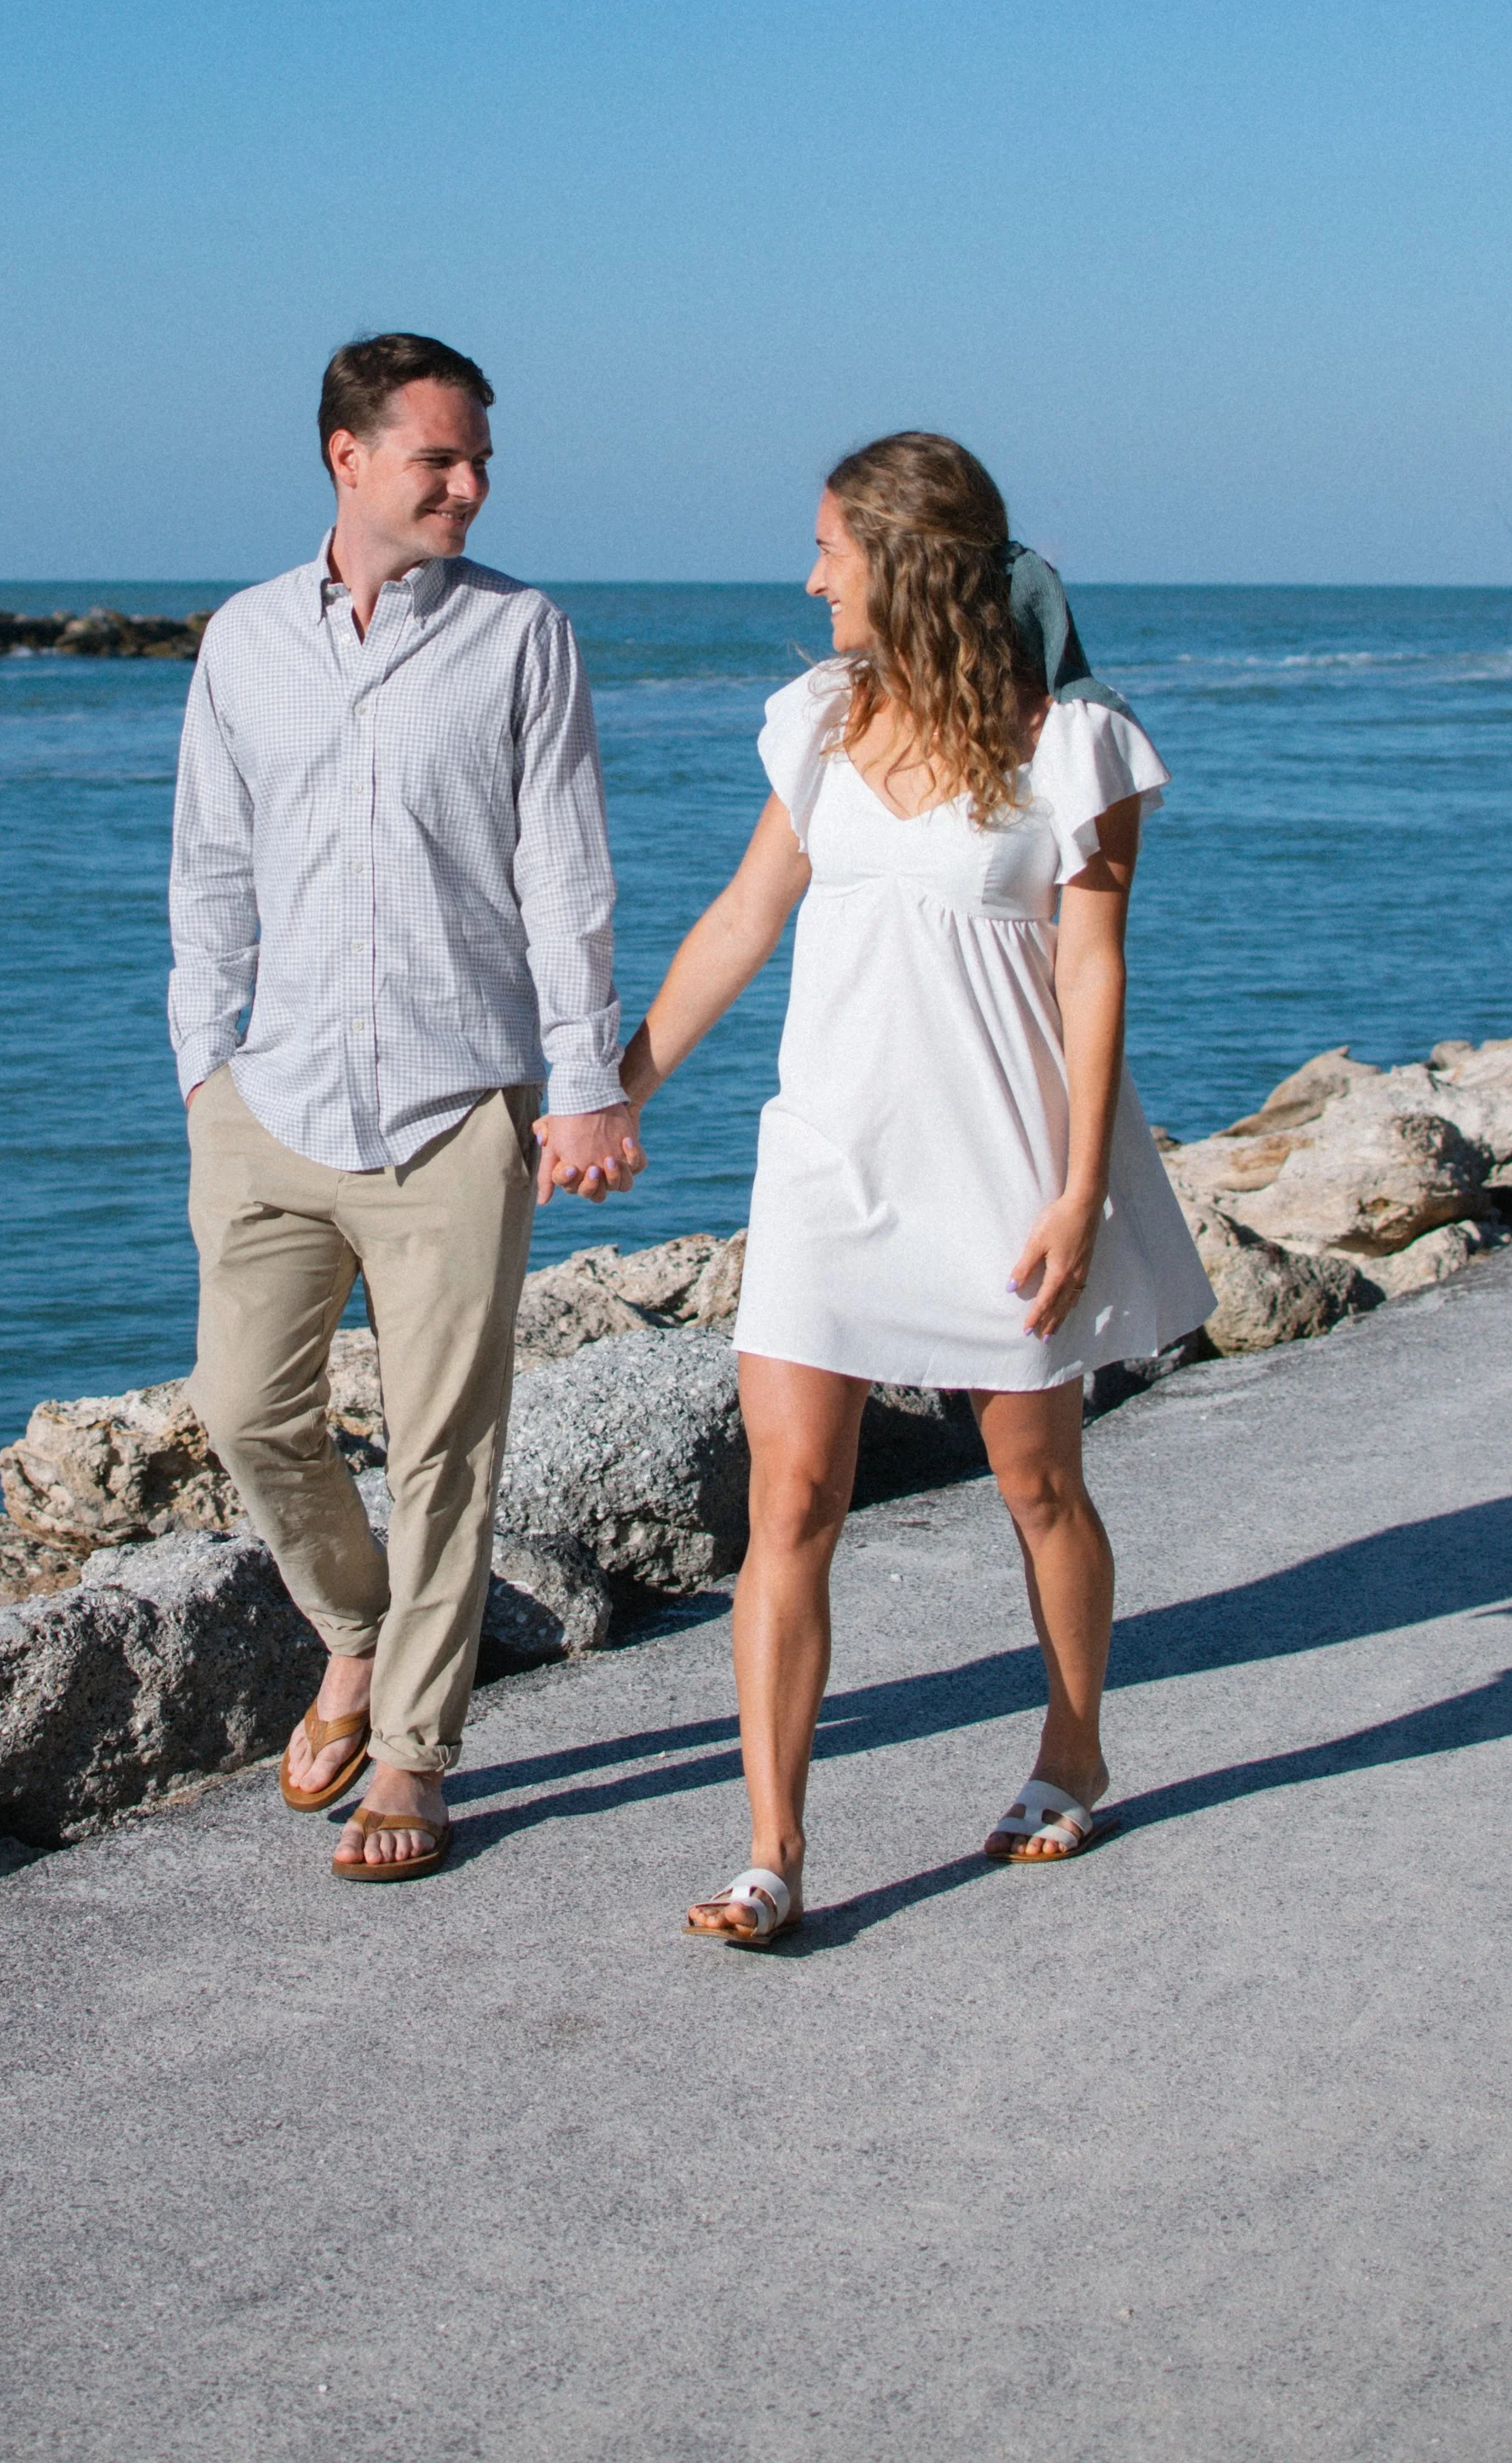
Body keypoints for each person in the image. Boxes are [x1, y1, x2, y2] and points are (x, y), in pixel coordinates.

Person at [619, 431, 1213, 1944]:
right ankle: (772, 1850)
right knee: (791, 1499)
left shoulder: (1068, 746)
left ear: (905, 557)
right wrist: (617, 1085)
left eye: (830, 545)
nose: (809, 574)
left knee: (1038, 1485)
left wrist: (1081, 1192)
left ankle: (1073, 1746)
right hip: (828, 1166)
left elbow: (1092, 966)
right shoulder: (821, 724)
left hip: (1001, 1171)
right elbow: (747, 915)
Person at [168, 333, 643, 1884]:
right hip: (274, 1100)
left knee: (448, 1442)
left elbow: (566, 877)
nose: (470, 483)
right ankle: (356, 1634)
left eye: (480, 458)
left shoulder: (522, 635)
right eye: (439, 456)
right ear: (347, 457)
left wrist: (578, 1090)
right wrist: (202, 1074)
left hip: (459, 1102)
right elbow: (211, 874)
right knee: (246, 1410)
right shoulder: (242, 640)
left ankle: (419, 1751)